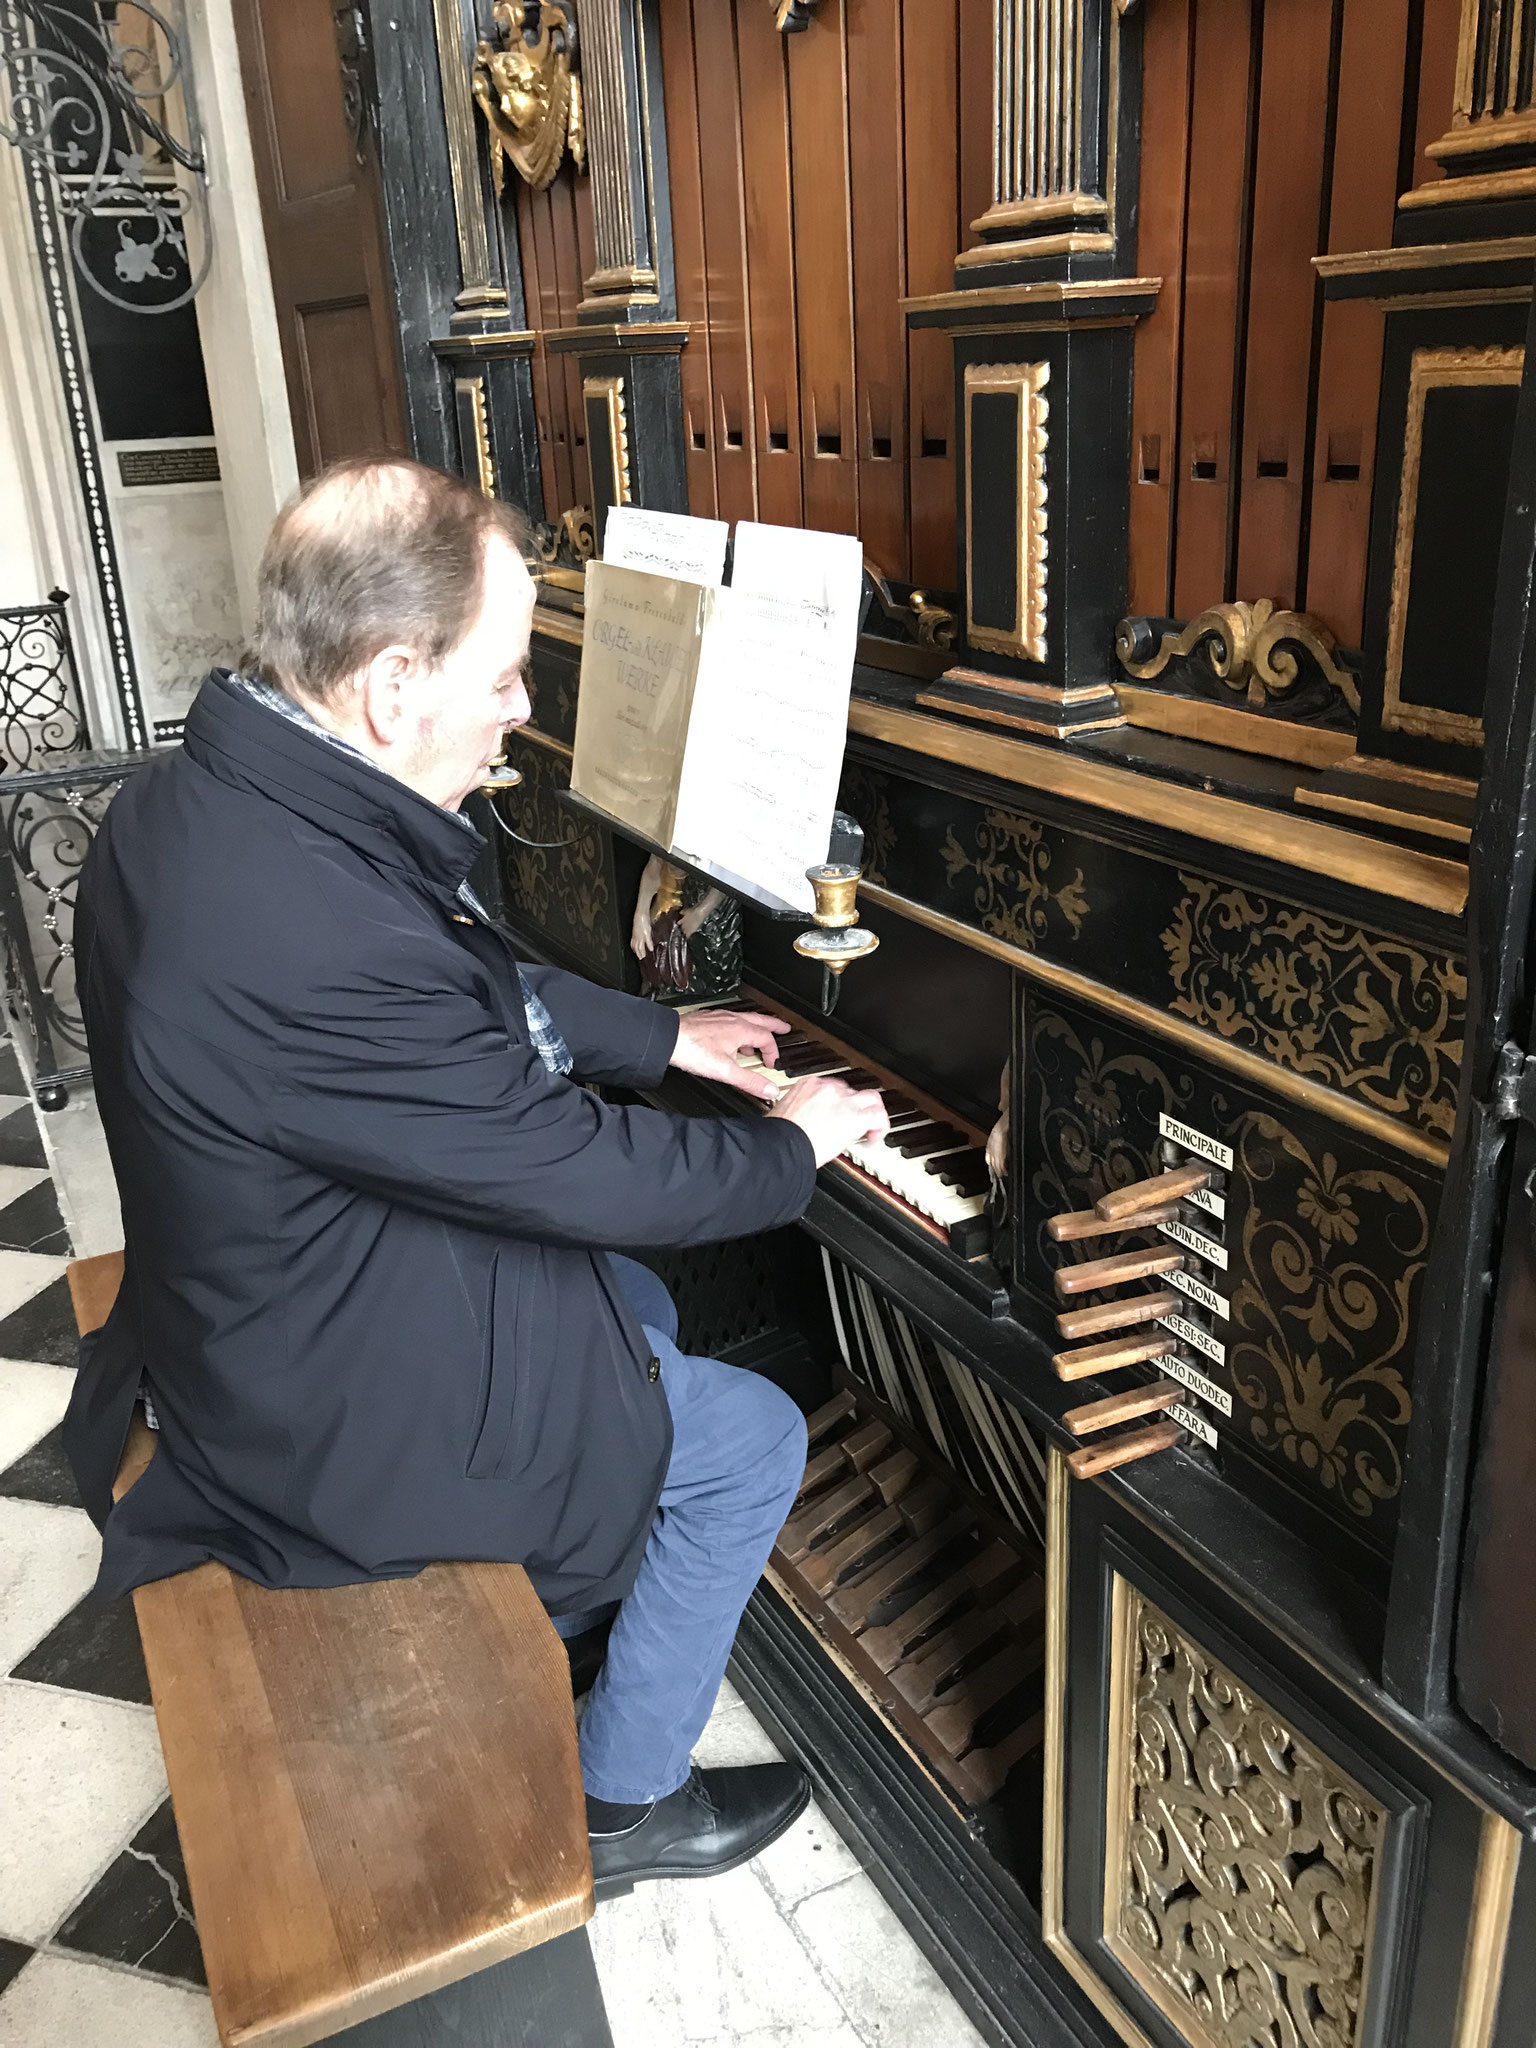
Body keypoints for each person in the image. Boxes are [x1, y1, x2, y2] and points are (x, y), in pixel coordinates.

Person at [63, 457, 890, 1897]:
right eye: (505, 676)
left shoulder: (192, 803)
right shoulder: (318, 932)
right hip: (311, 1416)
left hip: (249, 1307)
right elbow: (558, 1154)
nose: (523, 711)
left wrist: (664, 1034)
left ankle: (575, 1604)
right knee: (750, 1431)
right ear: (391, 686)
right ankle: (626, 1799)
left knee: (630, 1300)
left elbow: (461, 999)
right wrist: (794, 1142)